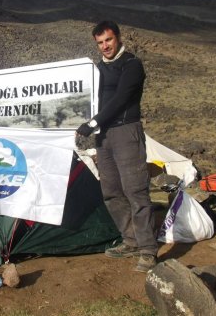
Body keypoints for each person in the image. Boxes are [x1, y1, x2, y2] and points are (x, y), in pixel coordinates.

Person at [76, 21, 157, 272]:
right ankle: (130, 240)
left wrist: (92, 122)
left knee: (135, 190)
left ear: (118, 38)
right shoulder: (97, 68)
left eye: (108, 40)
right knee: (110, 190)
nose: (105, 46)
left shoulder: (132, 64)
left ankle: (148, 250)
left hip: (125, 130)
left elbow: (122, 98)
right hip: (104, 136)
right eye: (100, 43)